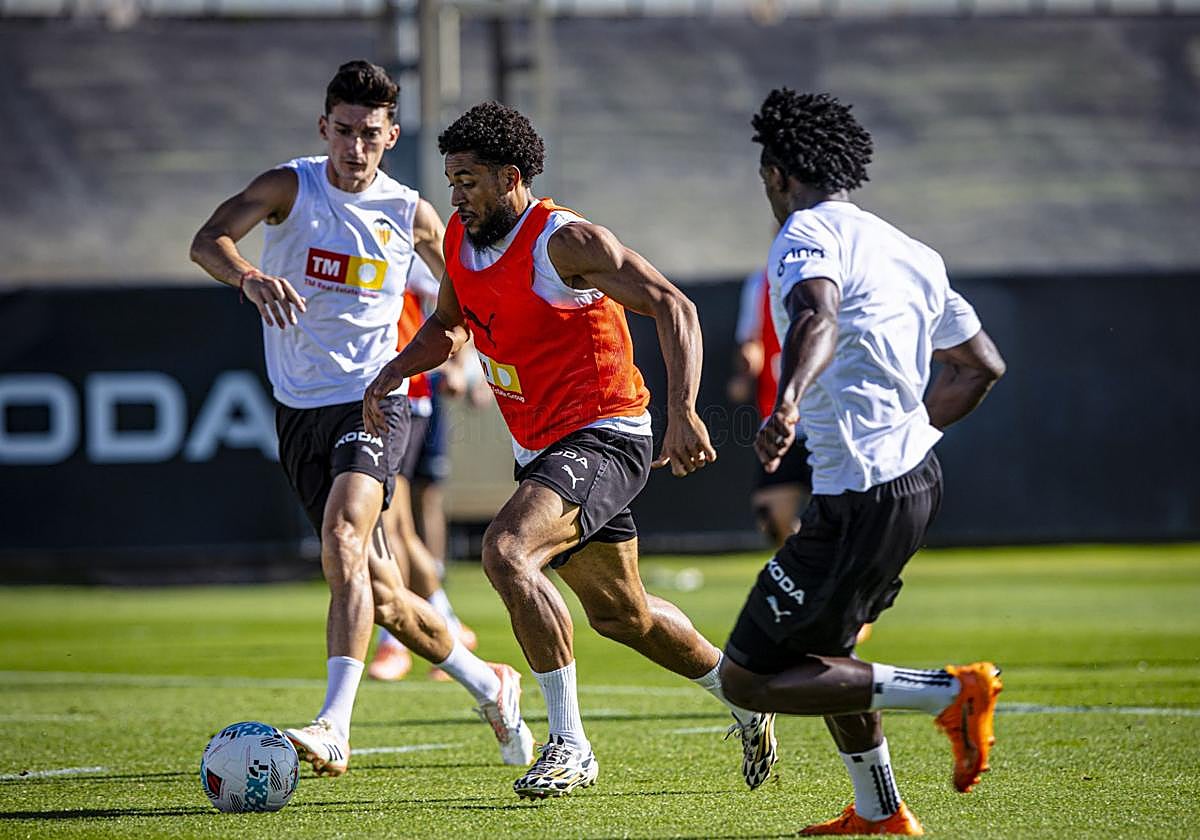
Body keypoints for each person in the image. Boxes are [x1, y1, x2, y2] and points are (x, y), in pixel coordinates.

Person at [364, 100, 775, 800]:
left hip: (606, 433)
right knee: (624, 615)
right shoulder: (462, 246)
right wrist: (397, 368)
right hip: (544, 448)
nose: (455, 195)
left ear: (511, 177)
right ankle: (744, 693)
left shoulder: (565, 240)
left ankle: (570, 745)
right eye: (451, 179)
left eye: (468, 181)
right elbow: (448, 326)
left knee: (506, 551)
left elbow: (675, 305)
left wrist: (682, 415)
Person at [188, 61, 533, 778]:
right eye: (343, 131)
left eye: (369, 135)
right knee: (382, 595)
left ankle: (334, 724)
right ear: (324, 128)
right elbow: (209, 238)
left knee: (346, 534)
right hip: (298, 411)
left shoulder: (411, 213)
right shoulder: (291, 186)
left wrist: (463, 350)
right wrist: (248, 275)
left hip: (375, 399)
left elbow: (467, 290)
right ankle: (487, 682)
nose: (354, 147)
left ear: (391, 136)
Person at [718, 89, 1007, 836]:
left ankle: (948, 692)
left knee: (750, 675)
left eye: (764, 181)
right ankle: (880, 812)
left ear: (779, 174)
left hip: (863, 495)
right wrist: (910, 431)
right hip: (909, 481)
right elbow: (980, 367)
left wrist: (786, 405)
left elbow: (818, 313)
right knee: (828, 653)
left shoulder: (804, 233)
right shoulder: (909, 248)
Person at [369, 259, 478, 682]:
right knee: (392, 523)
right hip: (365, 394)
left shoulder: (399, 236)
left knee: (385, 520)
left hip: (401, 396)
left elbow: (453, 309)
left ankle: (399, 637)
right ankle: (444, 623)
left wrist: (459, 368)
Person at [729, 266, 813, 547]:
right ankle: (805, 567)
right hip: (778, 419)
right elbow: (751, 339)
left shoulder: (834, 272)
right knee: (772, 518)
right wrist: (746, 371)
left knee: (842, 515)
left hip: (826, 422)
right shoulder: (760, 282)